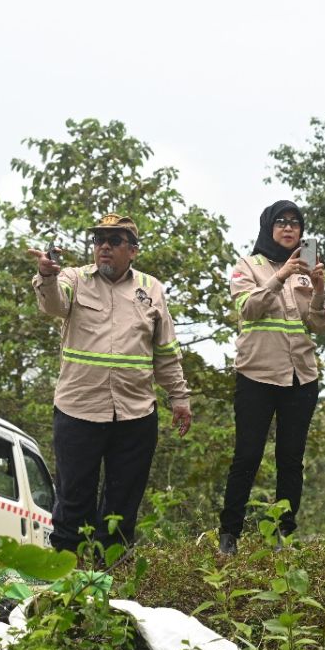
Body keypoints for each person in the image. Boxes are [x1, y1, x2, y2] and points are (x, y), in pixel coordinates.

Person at [29, 213, 192, 555]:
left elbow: (164, 351)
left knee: (122, 510)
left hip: (135, 415)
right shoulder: (73, 278)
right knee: (73, 504)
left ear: (132, 250)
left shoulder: (151, 289)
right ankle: (65, 582)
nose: (104, 246)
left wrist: (179, 398)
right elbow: (53, 305)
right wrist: (46, 275)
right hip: (79, 411)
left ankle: (112, 584)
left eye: (114, 241)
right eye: (99, 240)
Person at [217, 201, 325, 556]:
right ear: (268, 227)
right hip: (257, 374)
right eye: (281, 222)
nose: (288, 228)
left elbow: (319, 324)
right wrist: (279, 277)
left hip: (301, 375)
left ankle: (284, 534)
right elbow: (247, 309)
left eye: (295, 223)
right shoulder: (247, 266)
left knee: (290, 457)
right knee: (247, 456)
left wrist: (319, 289)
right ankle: (229, 534)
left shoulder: (305, 271)